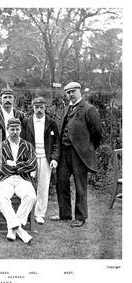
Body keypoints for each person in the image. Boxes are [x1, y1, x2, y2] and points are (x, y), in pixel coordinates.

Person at [51, 82, 102, 227]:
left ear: (80, 91)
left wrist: (88, 148)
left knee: (80, 186)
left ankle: (80, 216)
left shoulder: (89, 109)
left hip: (79, 154)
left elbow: (97, 133)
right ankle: (65, 214)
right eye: (68, 93)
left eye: (73, 91)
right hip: (64, 152)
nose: (70, 94)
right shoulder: (68, 108)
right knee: (61, 182)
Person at [0, 118, 37, 244]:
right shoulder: (0, 146)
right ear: (7, 130)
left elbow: (32, 164)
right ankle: (19, 229)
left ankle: (13, 228)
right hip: (5, 178)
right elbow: (0, 166)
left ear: (20, 130)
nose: (15, 132)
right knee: (1, 197)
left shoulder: (27, 145)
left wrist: (15, 164)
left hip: (23, 179)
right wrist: (20, 166)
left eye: (17, 129)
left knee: (31, 196)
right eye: (12, 129)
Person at [20, 97, 60, 224]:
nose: (38, 110)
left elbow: (57, 143)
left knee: (43, 186)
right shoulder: (26, 121)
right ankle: (27, 213)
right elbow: (22, 141)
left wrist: (54, 158)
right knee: (28, 186)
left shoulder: (51, 123)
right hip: (31, 158)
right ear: (32, 108)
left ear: (45, 108)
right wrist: (24, 158)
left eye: (41, 107)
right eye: (36, 107)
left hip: (45, 158)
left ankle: (39, 213)